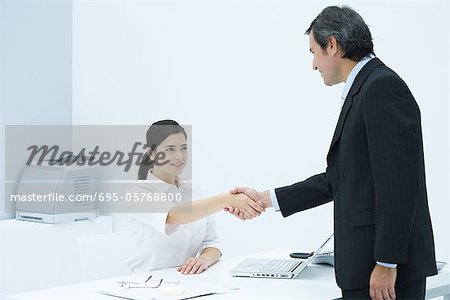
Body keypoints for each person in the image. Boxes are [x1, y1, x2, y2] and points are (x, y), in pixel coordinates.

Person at [229, 5, 437, 300]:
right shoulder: (365, 89)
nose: (314, 65)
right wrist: (267, 199)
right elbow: (338, 179)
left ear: (332, 45)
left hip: (384, 274)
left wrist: (386, 262)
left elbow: (400, 185)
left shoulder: (381, 88)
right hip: (364, 268)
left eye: (313, 52)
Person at [127, 120, 263, 275]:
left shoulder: (194, 189)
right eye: (170, 149)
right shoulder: (137, 192)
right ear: (151, 153)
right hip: (147, 283)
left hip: (188, 281)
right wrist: (227, 199)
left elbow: (211, 242)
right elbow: (173, 216)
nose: (179, 156)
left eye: (183, 148)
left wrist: (203, 259)